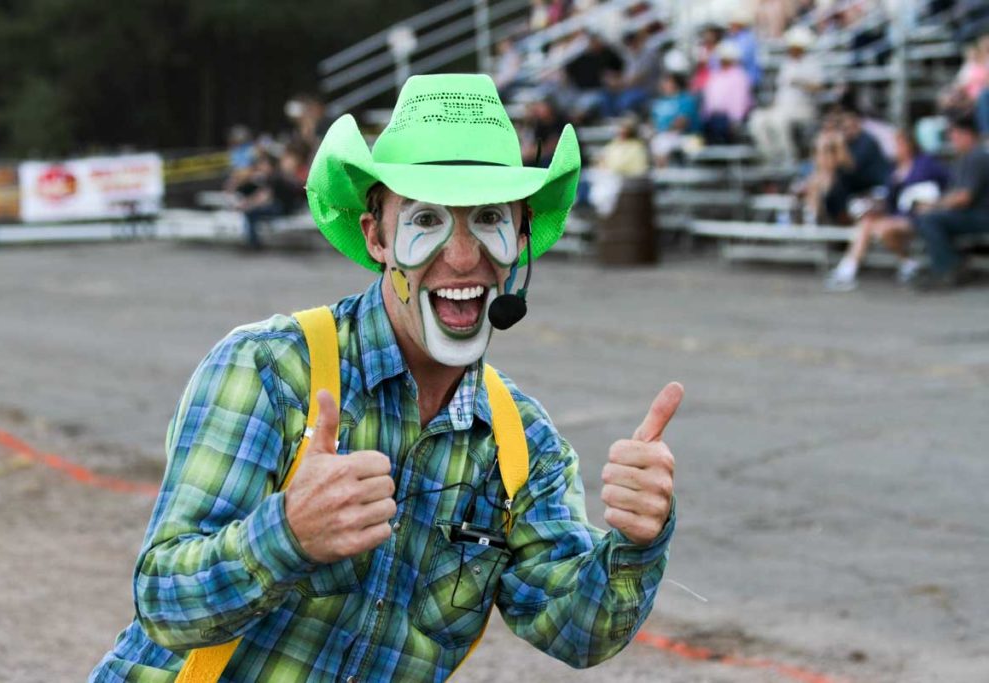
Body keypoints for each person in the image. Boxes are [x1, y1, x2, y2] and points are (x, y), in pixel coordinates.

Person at [90, 74, 680, 682]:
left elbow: (576, 630)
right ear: (377, 237)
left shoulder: (522, 445)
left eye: (488, 218)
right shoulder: (272, 369)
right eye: (426, 218)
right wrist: (286, 536)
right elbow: (163, 601)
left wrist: (639, 537)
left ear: (521, 239)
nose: (461, 257)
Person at [824, 131, 950, 291]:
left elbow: (948, 183)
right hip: (897, 214)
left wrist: (935, 202)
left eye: (898, 144)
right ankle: (849, 269)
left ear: (909, 144)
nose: (895, 148)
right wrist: (875, 204)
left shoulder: (925, 163)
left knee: (881, 228)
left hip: (920, 216)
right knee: (868, 221)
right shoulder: (894, 168)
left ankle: (904, 263)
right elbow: (890, 199)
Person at [912, 114, 989, 289]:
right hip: (971, 213)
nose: (951, 138)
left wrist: (933, 207)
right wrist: (933, 205)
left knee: (930, 219)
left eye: (954, 133)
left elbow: (964, 198)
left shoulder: (977, 157)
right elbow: (954, 194)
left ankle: (948, 269)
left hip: (983, 215)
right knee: (928, 216)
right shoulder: (964, 158)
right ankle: (953, 263)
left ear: (967, 134)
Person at [748, 26, 823, 165]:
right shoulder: (786, 64)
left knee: (778, 121)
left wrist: (800, 82)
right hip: (783, 107)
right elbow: (782, 90)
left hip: (803, 109)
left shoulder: (812, 63)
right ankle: (769, 156)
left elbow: (818, 87)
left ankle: (788, 157)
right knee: (757, 119)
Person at [700, 41, 752, 145]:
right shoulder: (716, 75)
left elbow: (739, 101)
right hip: (713, 116)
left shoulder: (739, 76)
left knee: (718, 126)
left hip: (729, 118)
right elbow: (709, 100)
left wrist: (735, 119)